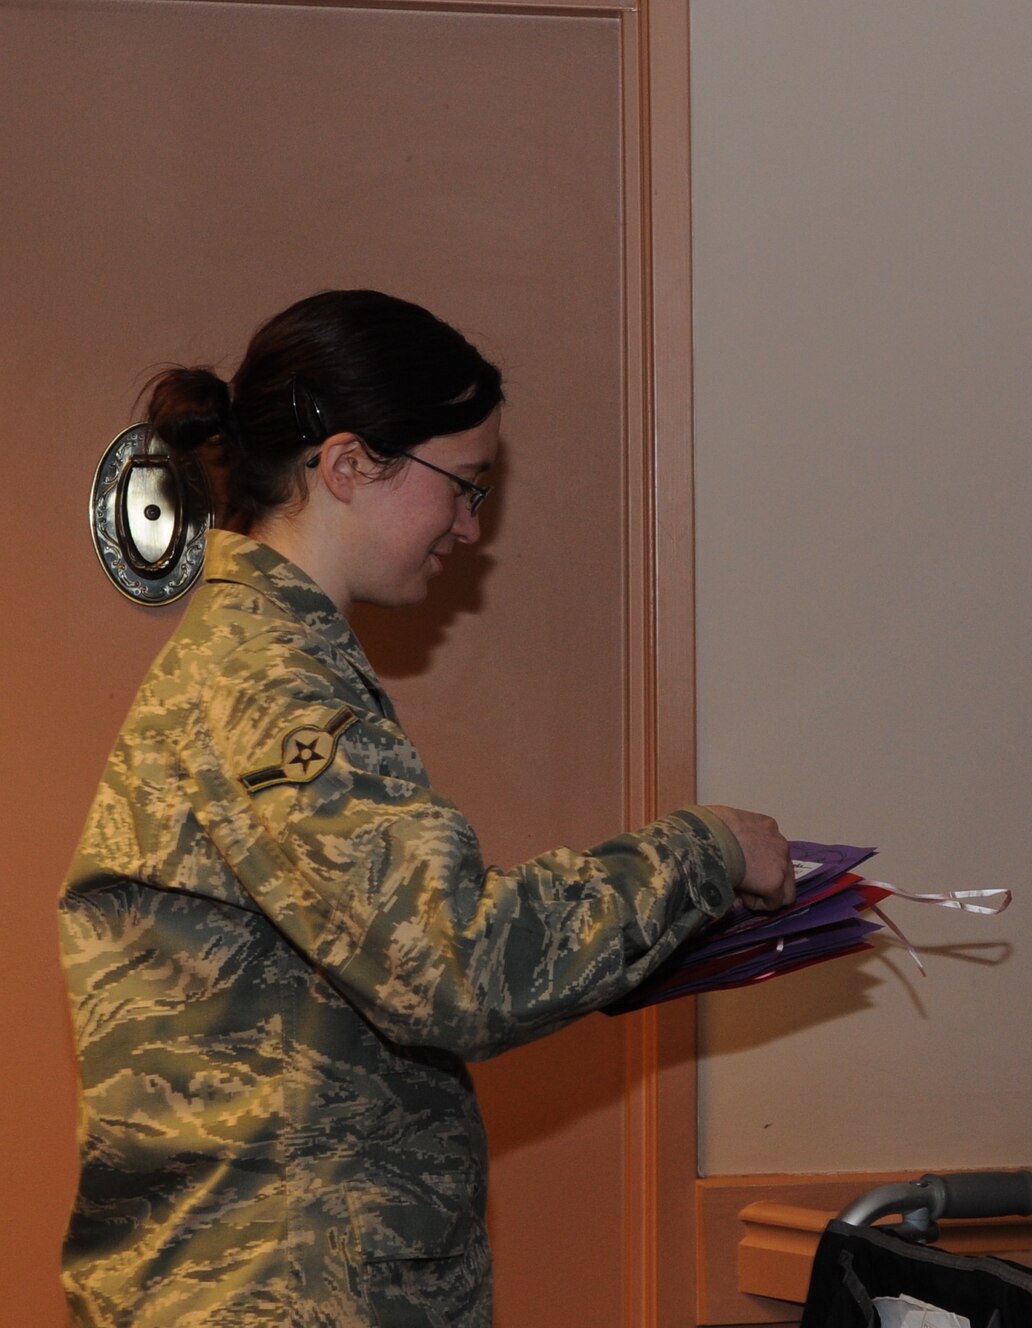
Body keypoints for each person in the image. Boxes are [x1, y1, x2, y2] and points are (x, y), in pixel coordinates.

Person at [59, 290, 796, 1326]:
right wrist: (702, 852)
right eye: (463, 485)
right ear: (351, 464)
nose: (469, 525)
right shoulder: (272, 687)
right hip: (272, 1292)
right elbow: (453, 965)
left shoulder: (266, 666)